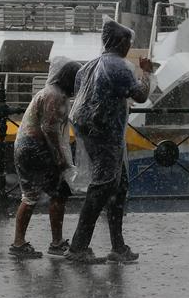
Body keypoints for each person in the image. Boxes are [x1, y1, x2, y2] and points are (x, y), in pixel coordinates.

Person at [65, 20, 152, 264]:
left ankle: (118, 246)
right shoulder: (119, 67)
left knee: (118, 186)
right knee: (101, 188)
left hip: (91, 134)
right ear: (121, 42)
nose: (129, 46)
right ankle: (78, 247)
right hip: (107, 136)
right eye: (128, 42)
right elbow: (141, 96)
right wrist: (146, 71)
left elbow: (81, 96)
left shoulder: (88, 67)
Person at [9, 58, 82, 259]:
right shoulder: (55, 96)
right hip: (37, 148)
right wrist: (59, 158)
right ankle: (56, 242)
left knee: (30, 196)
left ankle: (19, 242)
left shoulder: (48, 93)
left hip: (24, 147)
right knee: (59, 192)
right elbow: (49, 128)